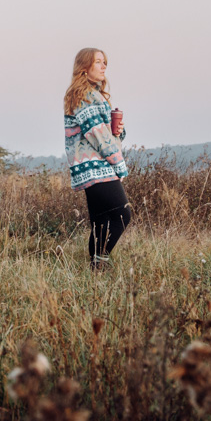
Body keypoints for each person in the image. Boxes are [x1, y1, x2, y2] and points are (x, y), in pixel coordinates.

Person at [63, 47, 131, 269]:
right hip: (96, 167)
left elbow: (102, 132)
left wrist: (118, 131)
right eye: (98, 62)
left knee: (101, 222)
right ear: (84, 67)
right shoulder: (85, 95)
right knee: (122, 215)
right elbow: (98, 135)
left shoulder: (90, 94)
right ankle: (100, 262)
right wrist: (119, 165)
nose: (104, 67)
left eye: (105, 62)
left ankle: (97, 269)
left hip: (90, 167)